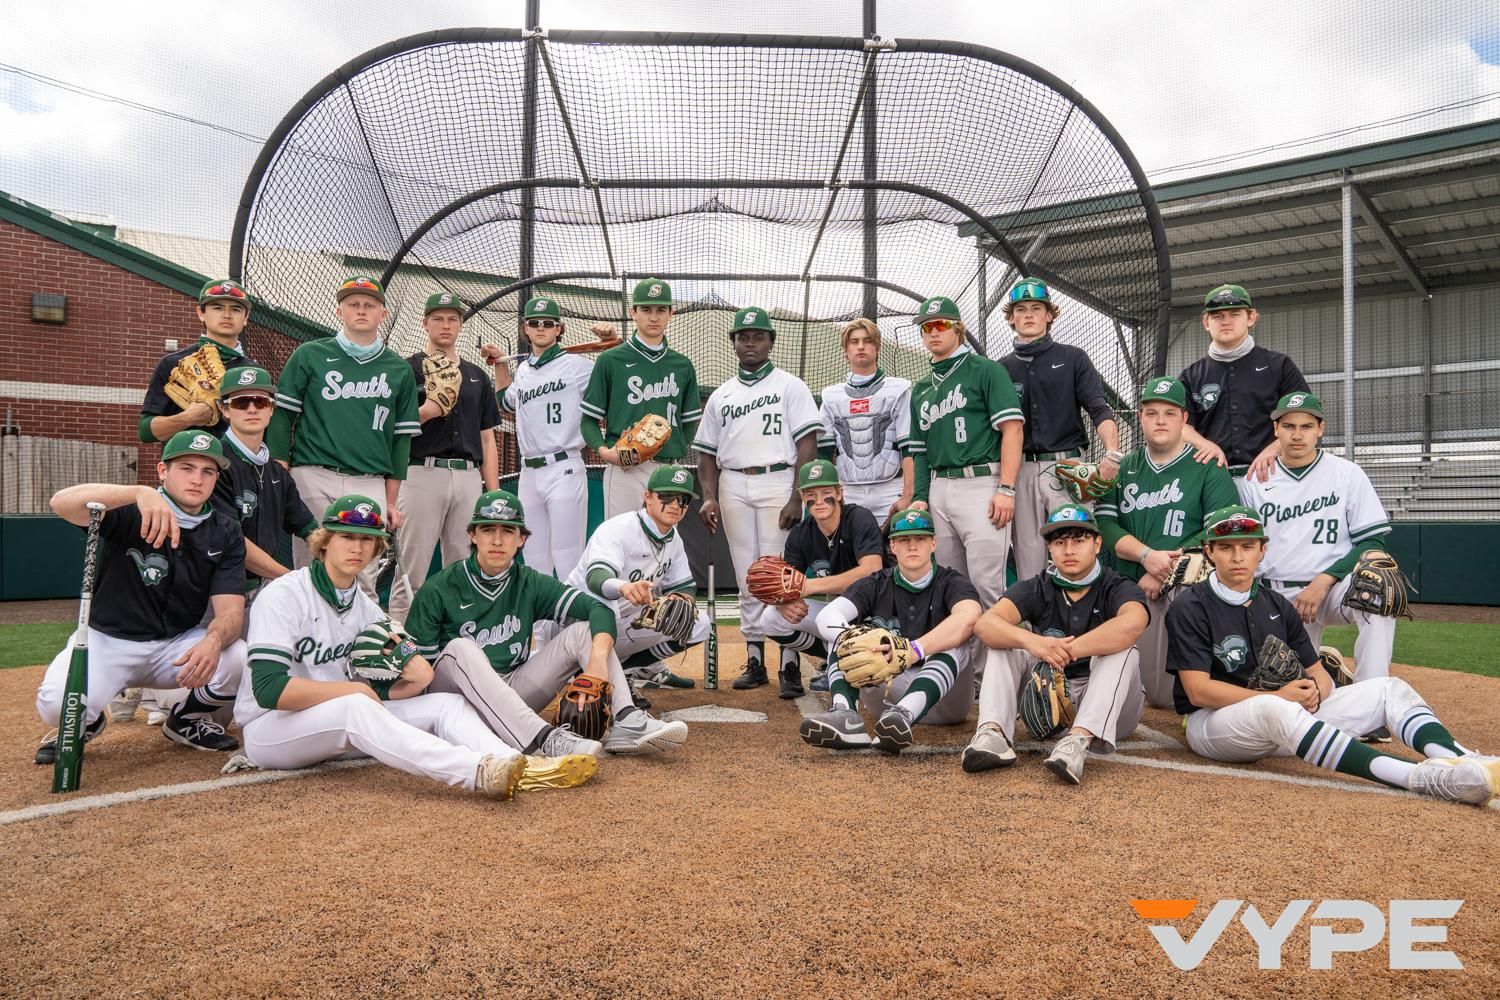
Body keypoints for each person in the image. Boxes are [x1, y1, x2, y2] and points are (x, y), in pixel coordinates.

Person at [237, 495, 594, 797]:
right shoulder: (285, 594)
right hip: (272, 728)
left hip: (332, 721)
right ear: (325, 540)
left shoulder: (365, 608)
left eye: (368, 539)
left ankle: (521, 765)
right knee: (354, 705)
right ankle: (477, 772)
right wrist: (355, 691)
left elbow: (390, 686)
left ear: (378, 547)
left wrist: (410, 680)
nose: (358, 547)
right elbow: (269, 690)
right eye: (347, 536)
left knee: (446, 704)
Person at [1165, 505, 1500, 806]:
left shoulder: (1278, 605)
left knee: (1388, 688)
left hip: (1287, 720)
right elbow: (1198, 690)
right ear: (1209, 552)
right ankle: (1417, 776)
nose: (1237, 557)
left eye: (1247, 546)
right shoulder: (1190, 606)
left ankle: (1462, 761)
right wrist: (1278, 695)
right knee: (1272, 706)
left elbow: (1319, 673)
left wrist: (1315, 693)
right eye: (1226, 548)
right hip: (1214, 725)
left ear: (1262, 550)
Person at [404, 489, 687, 756]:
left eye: (508, 531)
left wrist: (597, 662)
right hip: (456, 704)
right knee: (460, 649)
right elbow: (420, 677)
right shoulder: (438, 588)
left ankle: (627, 719)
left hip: (513, 694)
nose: (498, 541)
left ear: (522, 539)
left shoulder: (529, 582)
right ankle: (545, 739)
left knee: (584, 632)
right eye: (488, 530)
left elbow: (596, 608)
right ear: (473, 535)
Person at [34, 431, 248, 765]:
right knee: (57, 705)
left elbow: (231, 611)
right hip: (108, 641)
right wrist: (138, 491)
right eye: (187, 468)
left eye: (208, 472)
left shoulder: (225, 528)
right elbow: (61, 502)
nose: (197, 479)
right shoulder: (130, 511)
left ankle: (186, 721)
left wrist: (215, 639)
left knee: (238, 655)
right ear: (163, 470)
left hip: (174, 646)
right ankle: (87, 721)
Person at [1239, 392, 1401, 736]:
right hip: (1279, 595)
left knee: (1377, 592)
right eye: (1289, 426)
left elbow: (1372, 541)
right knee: (1291, 702)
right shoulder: (1255, 481)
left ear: (1320, 429)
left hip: (1333, 588)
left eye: (1306, 426)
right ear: (1276, 430)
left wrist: (1324, 580)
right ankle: (1326, 671)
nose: (1297, 434)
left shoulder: (1346, 474)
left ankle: (1371, 704)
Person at [965, 505, 1148, 783]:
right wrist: (1033, 642)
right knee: (1004, 643)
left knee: (1124, 649)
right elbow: (985, 625)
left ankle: (1078, 742)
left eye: (1079, 540)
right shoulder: (1037, 586)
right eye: (1060, 542)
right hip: (1048, 703)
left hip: (1112, 708)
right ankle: (993, 734)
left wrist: (1066, 650)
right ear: (1049, 548)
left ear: (1097, 544)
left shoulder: (1117, 584)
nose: (1069, 550)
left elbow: (1133, 624)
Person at [267, 276, 421, 599]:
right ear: (340, 311)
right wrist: (280, 474)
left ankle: (360, 647)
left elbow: (400, 441)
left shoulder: (398, 368)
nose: (361, 311)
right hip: (312, 474)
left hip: (369, 481)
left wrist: (391, 500)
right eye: (353, 305)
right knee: (311, 566)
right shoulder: (309, 355)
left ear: (383, 314)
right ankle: (310, 644)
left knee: (363, 573)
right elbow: (282, 418)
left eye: (369, 305)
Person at [695, 307, 822, 690]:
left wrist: (798, 495)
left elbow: (808, 442)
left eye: (758, 336)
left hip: (778, 479)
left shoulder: (791, 386)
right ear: (733, 343)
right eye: (743, 336)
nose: (750, 342)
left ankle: (789, 662)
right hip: (733, 482)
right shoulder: (722, 394)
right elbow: (705, 453)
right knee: (749, 574)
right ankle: (754, 660)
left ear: (771, 341)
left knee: (780, 572)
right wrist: (708, 497)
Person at [1093, 377, 1237, 708]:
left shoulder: (1207, 468)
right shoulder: (1124, 467)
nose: (1160, 420)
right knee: (1150, 694)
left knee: (1166, 698)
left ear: (1184, 420)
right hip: (1132, 584)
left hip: (1183, 587)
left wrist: (1166, 568)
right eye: (1152, 412)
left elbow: (1219, 530)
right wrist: (1145, 558)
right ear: (1140, 417)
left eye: (1170, 413)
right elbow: (1105, 525)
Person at [799, 508, 983, 753]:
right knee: (846, 638)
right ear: (892, 547)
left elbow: (970, 617)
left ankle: (905, 713)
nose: (912, 546)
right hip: (887, 696)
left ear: (933, 543)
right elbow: (827, 616)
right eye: (904, 540)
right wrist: (853, 638)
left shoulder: (952, 582)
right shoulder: (875, 583)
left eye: (920, 539)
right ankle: (845, 714)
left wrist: (912, 650)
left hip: (947, 701)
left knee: (956, 639)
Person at [385, 291, 501, 621]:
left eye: (452, 318)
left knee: (464, 567)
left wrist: (491, 491)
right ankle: (400, 646)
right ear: (425, 323)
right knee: (412, 568)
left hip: (467, 476)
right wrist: (428, 410)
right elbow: (393, 427)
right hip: (421, 472)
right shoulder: (406, 369)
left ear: (461, 324)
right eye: (438, 318)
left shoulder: (477, 375)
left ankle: (459, 642)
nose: (445, 324)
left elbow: (488, 439)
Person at [996, 278, 1122, 581]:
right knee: (1029, 560)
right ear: (1011, 317)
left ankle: (1082, 623)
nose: (1028, 314)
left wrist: (1113, 452)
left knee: (1075, 553)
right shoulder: (1000, 368)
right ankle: (1035, 627)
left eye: (1036, 308)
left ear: (1049, 314)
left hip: (1067, 468)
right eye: (1021, 309)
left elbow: (1098, 407)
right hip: (1021, 470)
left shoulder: (1073, 357)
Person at [907, 295, 1023, 613]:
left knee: (988, 586)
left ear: (958, 329)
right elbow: (919, 453)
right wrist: (919, 496)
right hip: (939, 488)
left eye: (941, 324)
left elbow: (1013, 430)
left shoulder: (985, 370)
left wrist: (1007, 488)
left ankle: (1011, 663)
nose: (933, 332)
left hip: (982, 483)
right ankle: (965, 664)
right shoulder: (920, 389)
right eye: (927, 327)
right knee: (954, 589)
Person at [566, 466, 714, 702]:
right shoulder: (620, 529)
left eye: (683, 499)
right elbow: (595, 579)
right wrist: (624, 587)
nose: (676, 504)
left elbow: (684, 585)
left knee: (698, 623)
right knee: (608, 604)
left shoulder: (673, 538)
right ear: (648, 497)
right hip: (579, 624)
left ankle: (625, 670)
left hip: (621, 622)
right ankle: (579, 670)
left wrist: (681, 599)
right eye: (666, 496)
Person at [762, 460, 886, 698]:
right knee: (770, 617)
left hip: (876, 612)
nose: (818, 501)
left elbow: (872, 571)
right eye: (811, 494)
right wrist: (784, 601)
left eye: (826, 493)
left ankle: (846, 661)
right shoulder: (801, 534)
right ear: (802, 497)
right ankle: (837, 656)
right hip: (838, 618)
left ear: (840, 493)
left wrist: (809, 586)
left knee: (833, 616)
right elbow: (786, 584)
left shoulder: (859, 518)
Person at [579, 278, 702, 518]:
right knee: (621, 542)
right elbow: (588, 421)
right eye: (646, 309)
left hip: (667, 468)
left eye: (661, 310)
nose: (653, 317)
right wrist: (605, 452)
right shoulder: (611, 360)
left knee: (661, 543)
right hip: (624, 468)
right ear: (633, 312)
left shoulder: (683, 366)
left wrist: (673, 448)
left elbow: (689, 424)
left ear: (671, 313)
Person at [489, 296, 590, 581]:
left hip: (563, 465)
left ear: (559, 329)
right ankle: (540, 626)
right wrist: (499, 364)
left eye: (549, 323)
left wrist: (616, 342)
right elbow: (504, 401)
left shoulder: (577, 366)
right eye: (535, 323)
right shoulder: (522, 370)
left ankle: (574, 623)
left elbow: (613, 380)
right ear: (526, 329)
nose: (541, 327)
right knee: (532, 557)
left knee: (568, 556)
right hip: (528, 472)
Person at [1177, 284, 1310, 493]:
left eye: (1235, 314)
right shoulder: (1191, 375)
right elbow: (1181, 425)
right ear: (1206, 322)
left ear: (1251, 317)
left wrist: (1275, 448)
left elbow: (1305, 416)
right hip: (1212, 480)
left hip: (1273, 476)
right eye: (1217, 316)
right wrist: (1205, 445)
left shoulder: (1279, 365)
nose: (1226, 321)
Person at [139, 278, 260, 444]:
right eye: (217, 308)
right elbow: (146, 431)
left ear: (246, 318)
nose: (227, 315)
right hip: (187, 465)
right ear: (201, 313)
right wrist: (188, 418)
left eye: (236, 309)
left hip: (238, 467)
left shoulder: (254, 372)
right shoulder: (174, 363)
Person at [817, 318, 914, 521]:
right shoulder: (831, 397)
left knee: (896, 551)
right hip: (848, 492)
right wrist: (829, 495)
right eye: (854, 341)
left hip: (891, 490)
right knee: (850, 553)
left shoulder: (898, 390)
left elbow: (909, 449)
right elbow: (824, 454)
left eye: (868, 341)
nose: (861, 346)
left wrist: (908, 494)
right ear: (845, 350)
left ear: (877, 348)